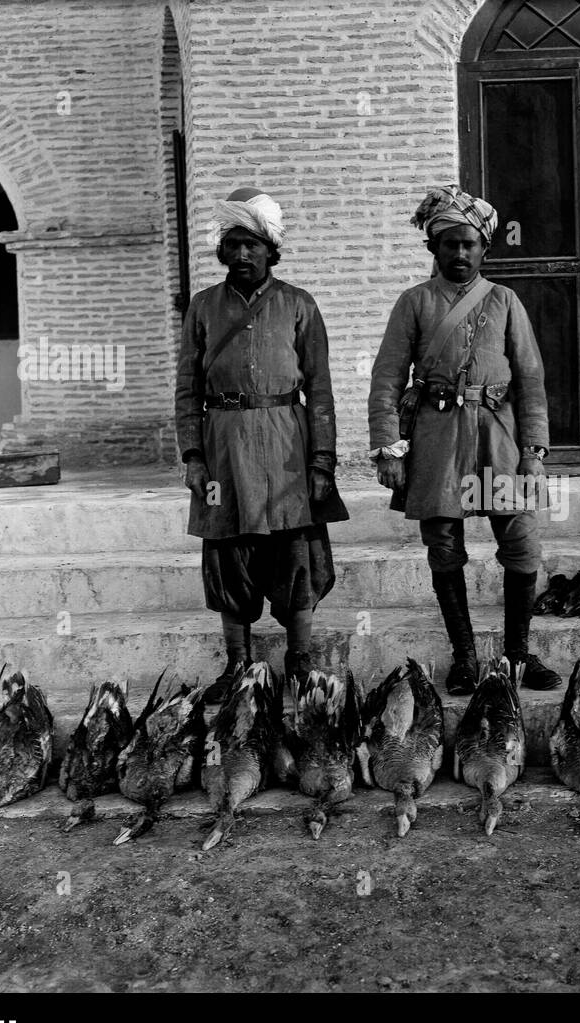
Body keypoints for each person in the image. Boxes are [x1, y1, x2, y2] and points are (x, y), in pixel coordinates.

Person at [368, 184, 560, 695]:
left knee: (521, 544)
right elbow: (387, 378)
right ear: (433, 247)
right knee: (445, 549)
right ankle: (466, 659)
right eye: (449, 243)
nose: (459, 252)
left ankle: (518, 655)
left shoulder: (505, 300)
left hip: (498, 436)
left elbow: (531, 379)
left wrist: (534, 451)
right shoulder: (414, 303)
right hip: (437, 439)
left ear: (484, 248)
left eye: (469, 243)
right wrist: (389, 448)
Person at [175, 185, 348, 702]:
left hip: (287, 445)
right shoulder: (203, 308)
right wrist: (192, 456)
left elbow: (319, 391)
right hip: (223, 445)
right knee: (228, 550)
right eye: (233, 243)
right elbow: (187, 390)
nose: (243, 253)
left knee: (295, 551)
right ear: (221, 250)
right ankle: (237, 664)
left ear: (272, 249)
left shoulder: (299, 305)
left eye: (253, 243)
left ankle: (300, 660)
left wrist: (322, 461)